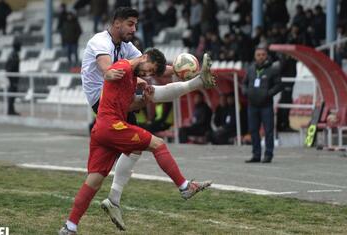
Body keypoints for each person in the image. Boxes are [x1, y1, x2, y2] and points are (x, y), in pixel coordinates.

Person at [80, 7, 216, 231]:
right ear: (116, 23)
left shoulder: (125, 46)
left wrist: (185, 71)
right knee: (151, 140)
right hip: (104, 99)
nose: (134, 29)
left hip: (115, 96)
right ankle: (182, 186)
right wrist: (113, 74)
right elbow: (106, 67)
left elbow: (153, 67)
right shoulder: (100, 42)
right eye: (130, 24)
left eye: (135, 24)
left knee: (134, 147)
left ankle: (108, 202)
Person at [59, 48, 212, 235]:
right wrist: (108, 72)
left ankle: (70, 226)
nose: (147, 74)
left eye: (151, 73)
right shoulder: (123, 66)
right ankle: (184, 187)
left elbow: (128, 105)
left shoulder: (131, 78)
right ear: (144, 57)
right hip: (112, 126)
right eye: (149, 69)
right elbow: (112, 71)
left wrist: (143, 101)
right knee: (158, 144)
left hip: (102, 130)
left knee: (94, 181)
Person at [243, 47, 282, 163]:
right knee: (253, 130)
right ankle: (256, 154)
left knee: (268, 130)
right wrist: (246, 92)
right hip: (252, 105)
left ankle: (268, 154)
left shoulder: (273, 69)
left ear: (267, 56)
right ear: (255, 56)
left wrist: (268, 94)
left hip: (266, 105)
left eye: (263, 55)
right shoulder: (250, 69)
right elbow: (244, 83)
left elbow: (279, 85)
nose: (261, 57)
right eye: (258, 54)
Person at [5, 41, 21, 115]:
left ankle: (11, 110)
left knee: (12, 94)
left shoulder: (11, 54)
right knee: (12, 94)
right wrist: (12, 76)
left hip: (12, 76)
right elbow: (12, 66)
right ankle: (10, 110)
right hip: (13, 77)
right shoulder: (14, 55)